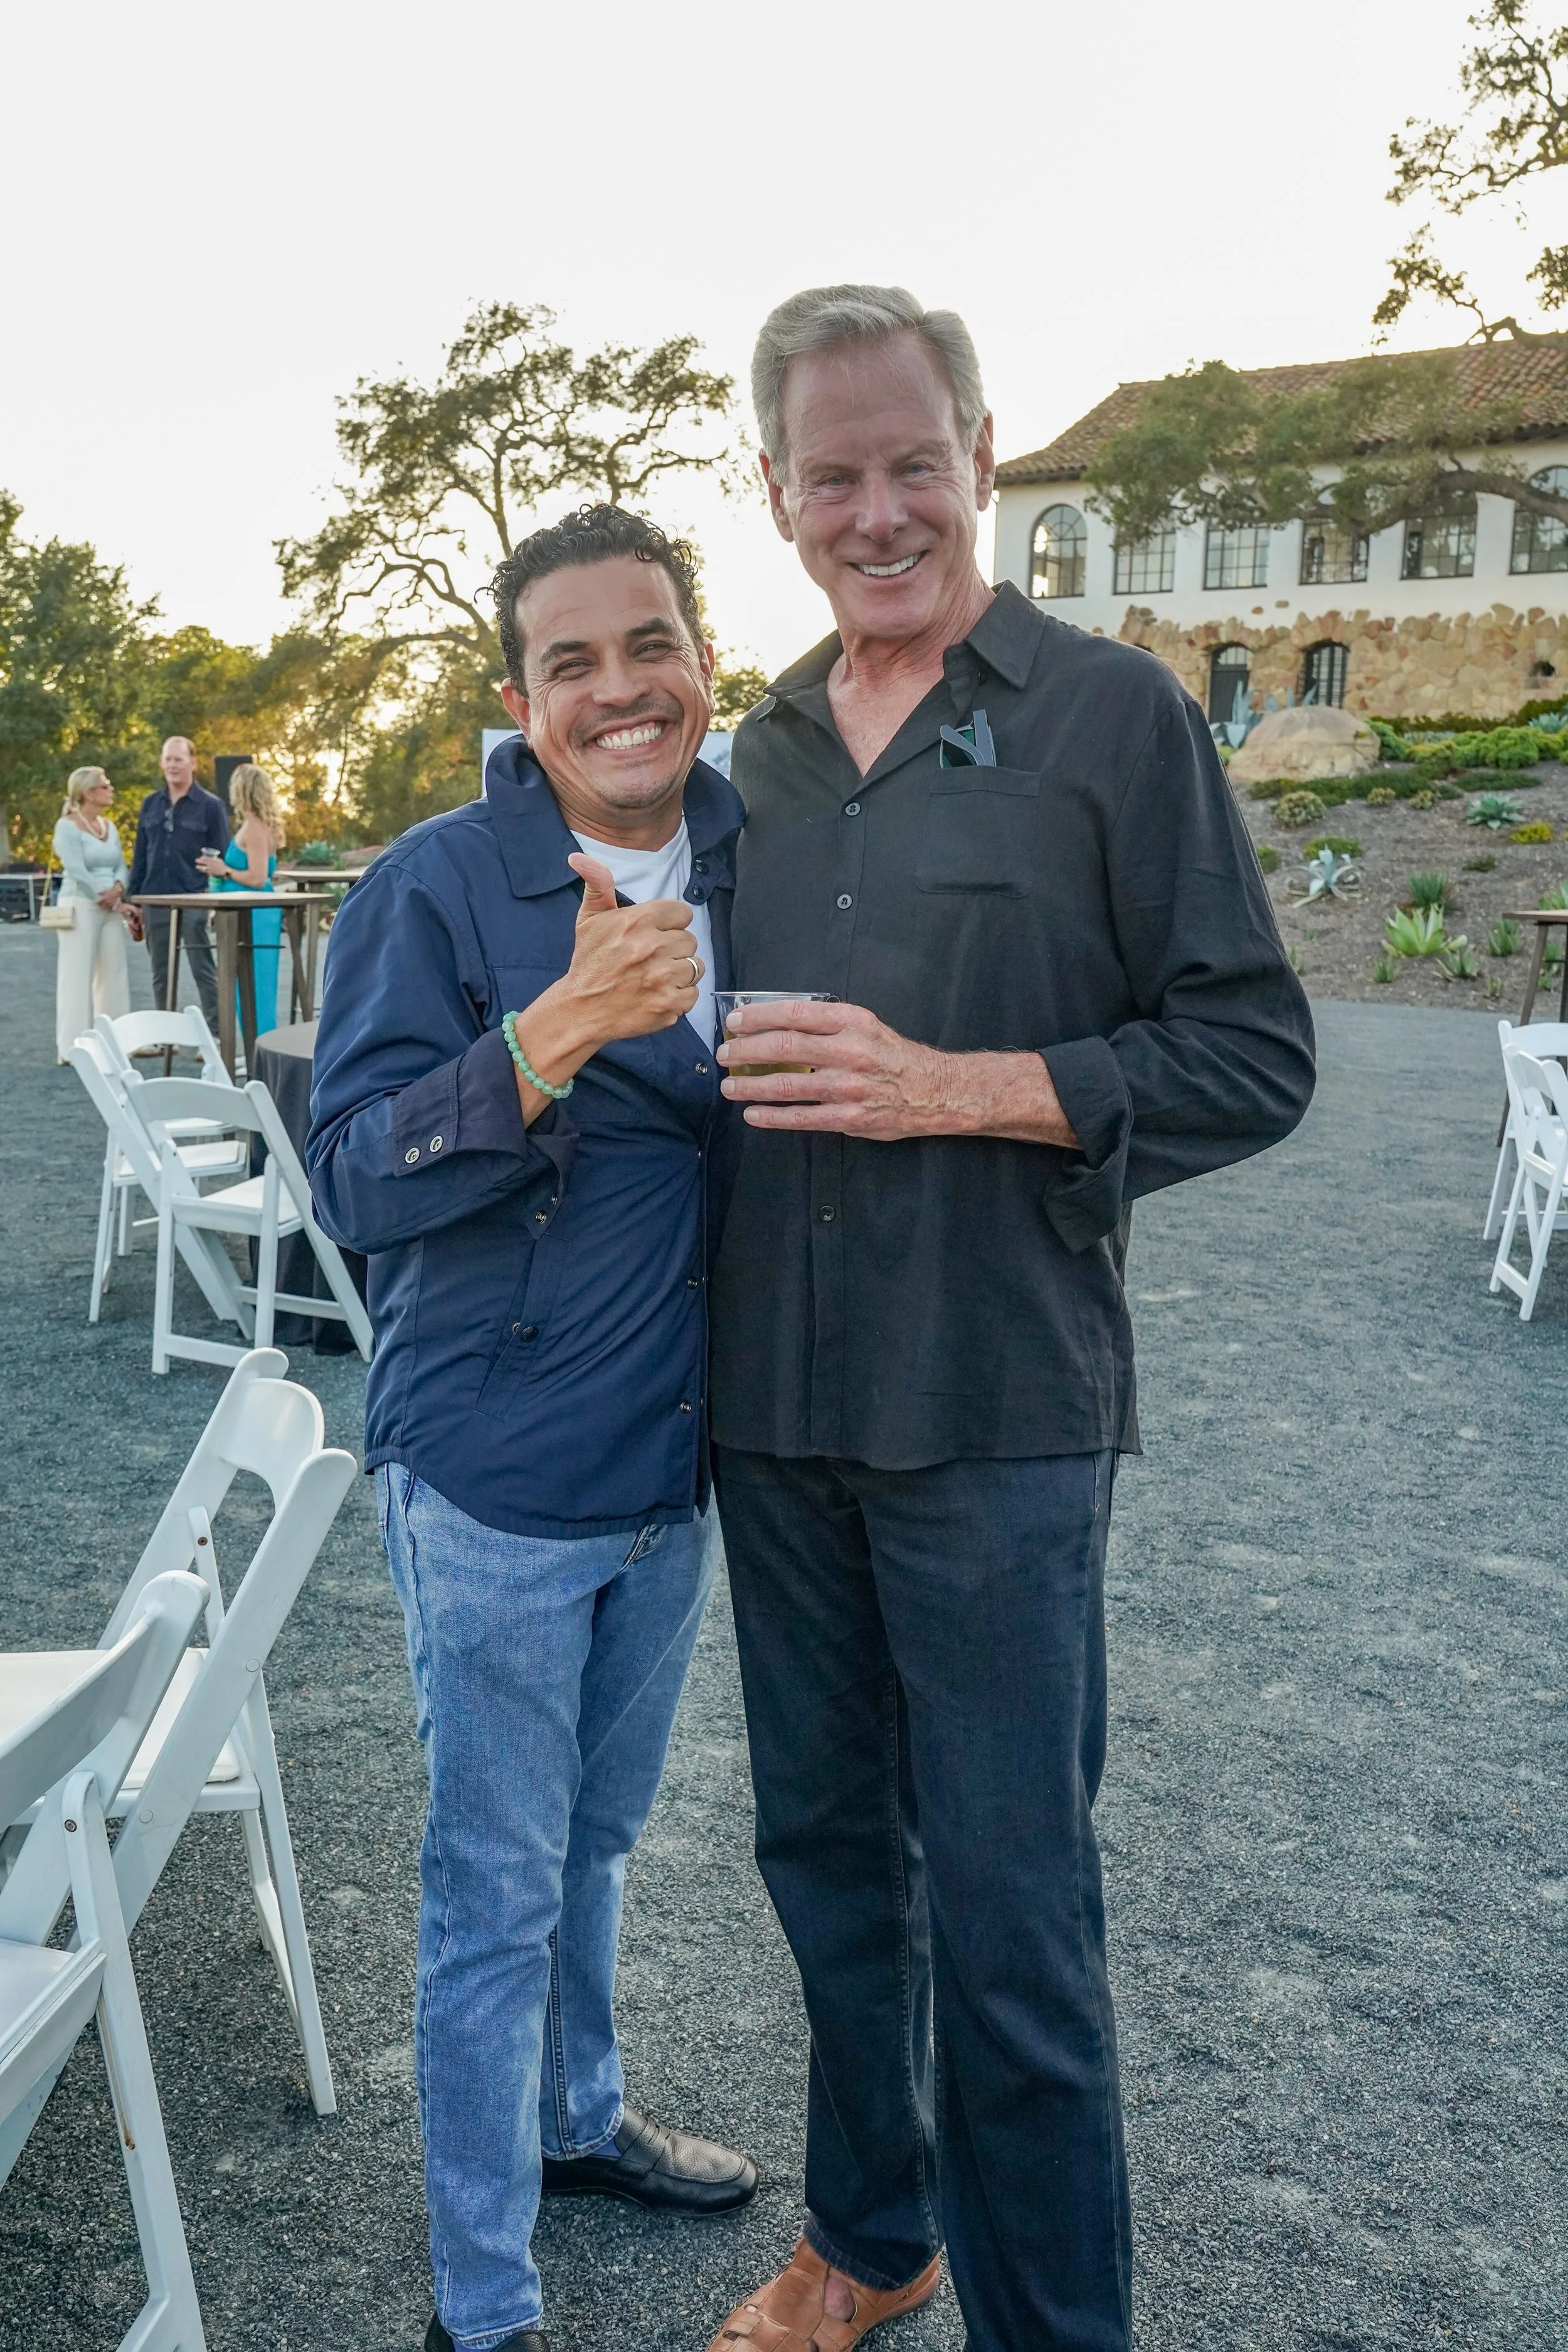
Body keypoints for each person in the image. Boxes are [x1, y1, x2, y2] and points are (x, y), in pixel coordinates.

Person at [703, 287, 1318, 2352]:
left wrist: (951, 1085)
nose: (877, 510)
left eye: (911, 462)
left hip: (1002, 1418)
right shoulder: (748, 763)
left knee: (1016, 1921)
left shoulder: (1111, 719)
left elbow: (1251, 1054)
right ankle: (875, 2239)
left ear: (981, 450)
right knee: (822, 1867)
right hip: (775, 1410)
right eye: (831, 475)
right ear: (775, 493)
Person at [307, 506, 758, 2352]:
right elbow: (348, 1175)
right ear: (519, 697)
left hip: (671, 1467)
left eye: (643, 643)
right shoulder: (434, 885)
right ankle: (481, 2305)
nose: (614, 687)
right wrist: (552, 1029)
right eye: (567, 660)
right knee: (492, 1881)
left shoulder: (769, 856)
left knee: (593, 1838)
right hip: (489, 1474)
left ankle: (575, 2120)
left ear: (698, 665)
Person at [125, 736, 228, 1030]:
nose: (172, 765)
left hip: (195, 896)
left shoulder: (211, 806)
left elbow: (222, 853)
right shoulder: (150, 804)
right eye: (168, 759)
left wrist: (214, 892)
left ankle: (216, 1033)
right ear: (161, 763)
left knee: (202, 967)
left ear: (193, 763)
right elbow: (140, 854)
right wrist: (135, 901)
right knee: (161, 971)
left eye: (179, 759)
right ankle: (165, 1034)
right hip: (155, 898)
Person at [50, 765, 130, 1062]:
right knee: (77, 974)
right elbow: (76, 870)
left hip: (110, 905)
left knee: (114, 972)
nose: (111, 790)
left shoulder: (110, 827)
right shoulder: (67, 827)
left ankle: (116, 1042)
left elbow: (121, 863)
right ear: (89, 793)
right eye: (105, 785)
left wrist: (119, 888)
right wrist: (107, 900)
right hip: (80, 905)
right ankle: (73, 1047)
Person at [198, 761, 283, 1034]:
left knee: (256, 983)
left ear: (243, 790)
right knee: (242, 983)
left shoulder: (256, 828)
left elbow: (258, 878)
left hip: (255, 915)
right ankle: (251, 1046)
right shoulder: (251, 825)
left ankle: (259, 1046)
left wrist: (224, 870)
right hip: (245, 912)